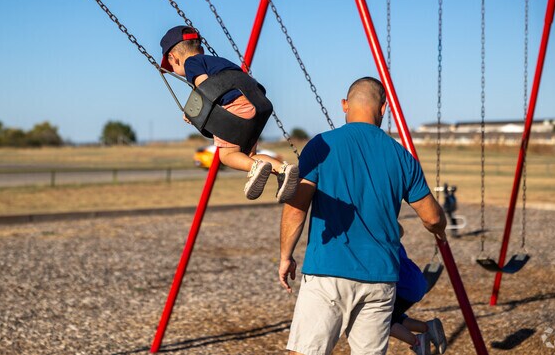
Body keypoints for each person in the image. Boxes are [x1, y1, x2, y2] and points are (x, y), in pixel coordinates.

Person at [278, 76, 447, 355]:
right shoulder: (402, 156)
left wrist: (286, 255)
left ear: (344, 105)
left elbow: (297, 207)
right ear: (384, 109)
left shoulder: (320, 146)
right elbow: (431, 217)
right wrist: (439, 230)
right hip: (380, 278)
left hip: (327, 272)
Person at [160, 25, 299, 203]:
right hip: (259, 105)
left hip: (235, 108)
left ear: (173, 58)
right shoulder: (221, 62)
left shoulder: (191, 63)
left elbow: (208, 90)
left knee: (226, 156)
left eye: (170, 64)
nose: (172, 67)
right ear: (201, 49)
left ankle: (256, 167)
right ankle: (283, 169)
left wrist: (191, 111)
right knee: (246, 155)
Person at [391, 223, 447, 355]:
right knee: (394, 316)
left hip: (403, 285)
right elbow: (399, 229)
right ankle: (427, 327)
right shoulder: (389, 231)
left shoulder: (373, 239)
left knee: (381, 321)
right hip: (415, 279)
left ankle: (417, 342)